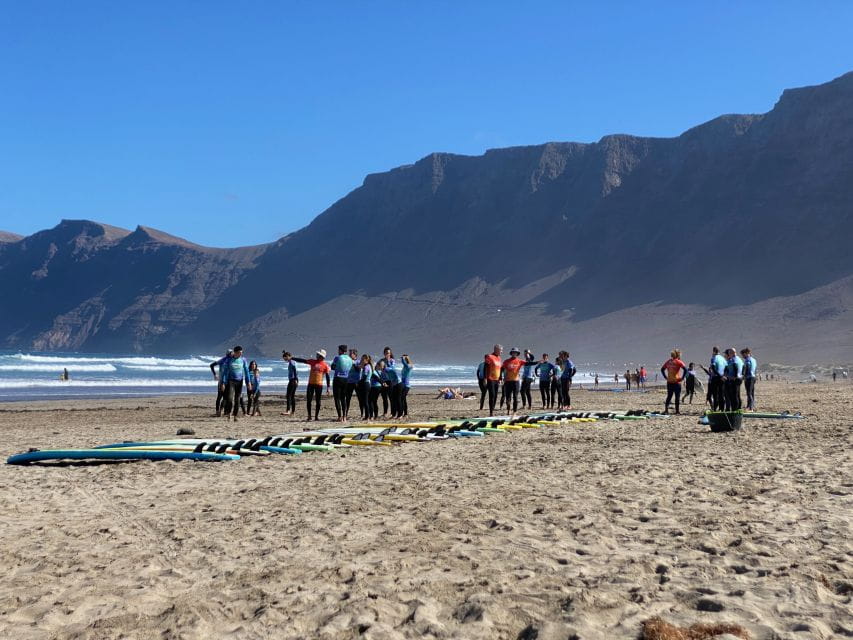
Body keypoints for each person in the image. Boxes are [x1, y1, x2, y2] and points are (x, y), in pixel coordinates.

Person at [292, 350, 331, 421]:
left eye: (318, 355)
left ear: (321, 357)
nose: (316, 355)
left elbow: (328, 377)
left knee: (318, 401)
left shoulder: (325, 365)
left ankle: (316, 416)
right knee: (309, 400)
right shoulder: (312, 361)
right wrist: (292, 358)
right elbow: (302, 360)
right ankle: (309, 416)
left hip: (319, 385)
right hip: (310, 384)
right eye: (317, 354)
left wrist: (328, 387)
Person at [220, 346, 251, 422]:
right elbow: (224, 372)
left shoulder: (243, 360)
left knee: (237, 399)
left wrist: (248, 382)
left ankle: (235, 415)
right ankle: (229, 414)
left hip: (239, 381)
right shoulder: (229, 360)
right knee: (230, 399)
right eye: (239, 352)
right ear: (235, 352)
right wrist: (223, 383)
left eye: (241, 352)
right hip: (231, 381)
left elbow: (246, 371)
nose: (241, 354)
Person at [330, 345, 353, 421]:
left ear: (340, 350)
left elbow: (332, 367)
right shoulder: (350, 359)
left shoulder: (337, 358)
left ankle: (339, 417)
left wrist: (336, 367)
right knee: (343, 398)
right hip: (346, 379)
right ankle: (345, 416)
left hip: (338, 378)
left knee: (337, 398)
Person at [660, 349, 688, 414]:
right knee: (677, 397)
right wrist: (682, 378)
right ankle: (677, 411)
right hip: (676, 382)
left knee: (669, 396)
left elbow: (662, 369)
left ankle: (666, 410)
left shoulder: (668, 361)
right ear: (678, 355)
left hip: (669, 382)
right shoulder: (679, 362)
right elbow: (686, 370)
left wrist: (665, 377)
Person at [702, 346, 727, 411]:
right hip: (722, 378)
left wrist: (719, 376)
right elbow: (726, 368)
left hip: (716, 378)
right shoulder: (723, 358)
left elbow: (713, 367)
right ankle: (722, 409)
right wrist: (724, 375)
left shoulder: (714, 358)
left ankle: (715, 409)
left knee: (715, 395)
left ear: (714, 351)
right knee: (721, 395)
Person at [501, 348, 524, 415]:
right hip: (508, 382)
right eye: (513, 352)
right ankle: (508, 409)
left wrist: (537, 362)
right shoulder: (506, 361)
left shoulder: (519, 361)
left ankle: (514, 411)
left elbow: (528, 363)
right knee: (508, 397)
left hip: (516, 381)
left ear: (517, 354)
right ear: (511, 353)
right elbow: (501, 369)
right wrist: (501, 378)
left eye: (516, 352)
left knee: (515, 397)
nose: (514, 354)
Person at [210, 350, 233, 417]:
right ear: (228, 354)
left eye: (233, 353)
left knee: (226, 398)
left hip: (229, 382)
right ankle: (217, 411)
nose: (233, 354)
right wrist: (215, 374)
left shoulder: (232, 360)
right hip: (221, 382)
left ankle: (221, 410)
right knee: (219, 397)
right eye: (231, 353)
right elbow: (211, 365)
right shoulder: (223, 360)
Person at [483, 345, 503, 416]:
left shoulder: (499, 358)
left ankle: (493, 409)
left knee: (496, 396)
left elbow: (500, 369)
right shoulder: (489, 357)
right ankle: (491, 412)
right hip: (490, 379)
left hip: (496, 380)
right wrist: (485, 378)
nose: (502, 351)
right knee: (492, 395)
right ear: (496, 349)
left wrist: (500, 378)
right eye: (501, 350)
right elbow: (485, 367)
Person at [344, 348, 361, 419]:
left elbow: (358, 369)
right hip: (349, 382)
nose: (350, 355)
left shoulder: (358, 361)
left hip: (357, 382)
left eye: (351, 354)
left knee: (360, 398)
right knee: (347, 399)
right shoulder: (348, 361)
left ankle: (362, 413)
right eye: (349, 354)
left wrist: (353, 363)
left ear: (355, 355)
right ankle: (345, 414)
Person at [358, 354, 375, 419]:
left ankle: (367, 416)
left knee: (365, 401)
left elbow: (364, 377)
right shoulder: (369, 366)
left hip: (365, 384)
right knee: (368, 401)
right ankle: (370, 415)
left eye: (362, 360)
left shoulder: (366, 367)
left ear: (366, 360)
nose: (361, 361)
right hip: (368, 384)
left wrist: (359, 383)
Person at [282, 351, 299, 415]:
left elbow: (295, 371)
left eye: (285, 358)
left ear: (288, 356)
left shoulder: (292, 362)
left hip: (292, 380)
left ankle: (288, 410)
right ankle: (293, 411)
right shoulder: (293, 362)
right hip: (293, 380)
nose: (285, 360)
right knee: (292, 396)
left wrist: (296, 380)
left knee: (289, 395)